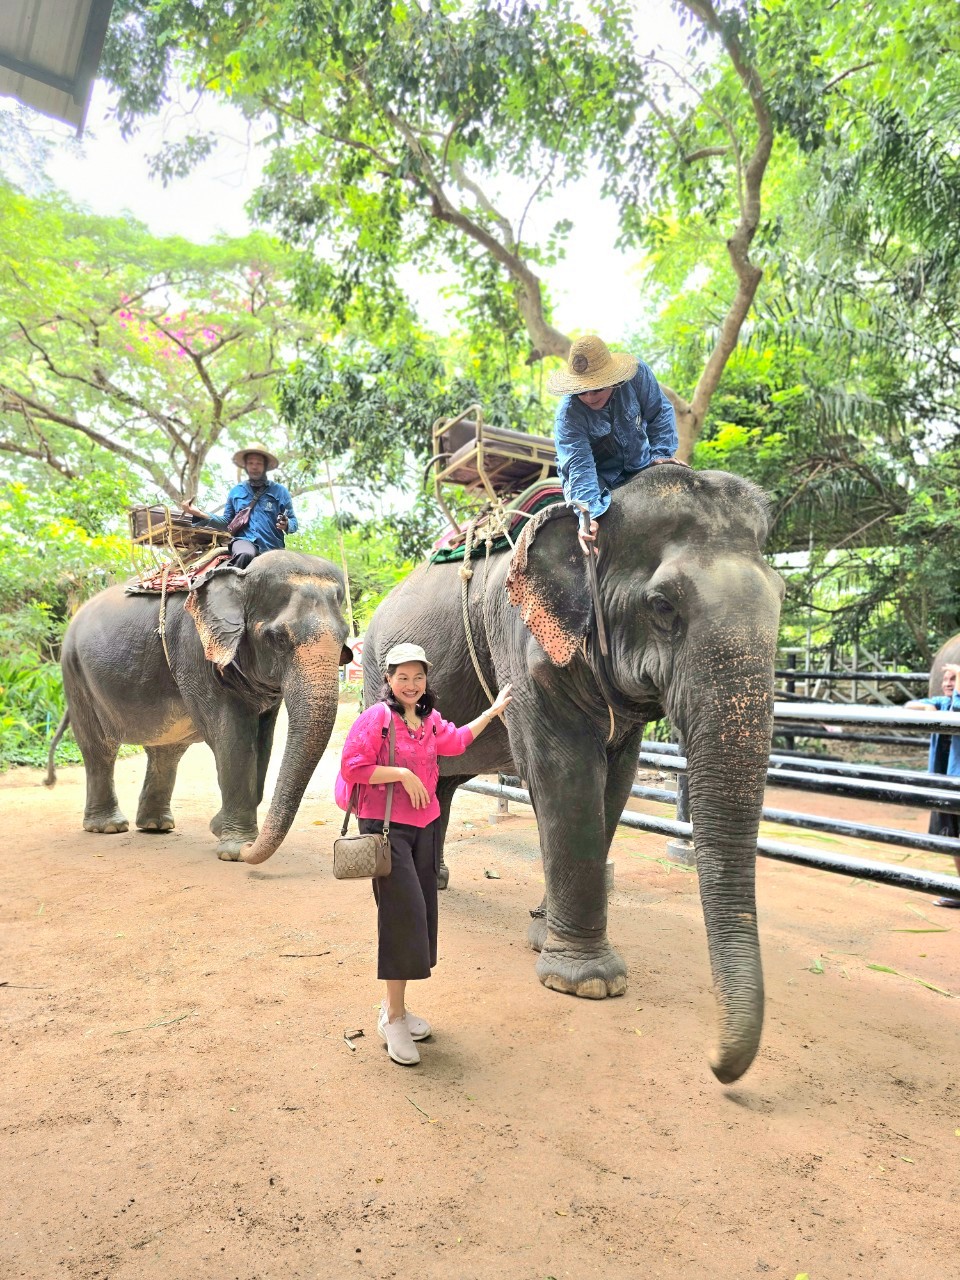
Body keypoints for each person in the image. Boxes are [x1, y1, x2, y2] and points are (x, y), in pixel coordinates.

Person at [338, 643, 512, 1066]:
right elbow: (352, 766)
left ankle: (393, 1007)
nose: (411, 685)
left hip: (425, 828)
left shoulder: (429, 720)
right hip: (385, 830)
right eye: (403, 677)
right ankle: (393, 1018)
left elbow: (456, 742)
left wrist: (491, 713)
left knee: (422, 916)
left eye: (418, 677)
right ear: (389, 679)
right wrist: (401, 773)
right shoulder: (377, 718)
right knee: (404, 915)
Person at [546, 334, 689, 552]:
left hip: (642, 464)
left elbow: (659, 412)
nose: (590, 397)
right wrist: (589, 515)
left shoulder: (637, 376)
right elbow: (579, 466)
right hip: (598, 479)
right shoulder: (567, 416)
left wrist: (661, 455)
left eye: (597, 388)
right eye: (582, 391)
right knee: (601, 538)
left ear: (613, 380)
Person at [179, 444, 297, 569]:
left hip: (272, 546)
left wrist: (287, 524)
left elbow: (294, 523)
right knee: (244, 554)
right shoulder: (236, 492)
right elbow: (227, 522)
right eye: (250, 463)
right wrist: (199, 513)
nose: (254, 467)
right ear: (245, 466)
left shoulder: (280, 491)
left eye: (259, 463)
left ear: (265, 466)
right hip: (244, 541)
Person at [905, 663, 960, 907]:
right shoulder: (941, 702)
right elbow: (909, 705)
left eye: (954, 679)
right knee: (952, 836)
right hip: (943, 781)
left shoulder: (954, 704)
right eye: (946, 679)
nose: (948, 683)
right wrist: (927, 707)